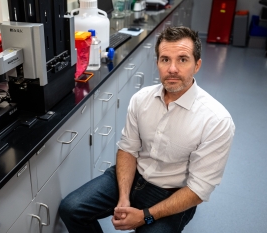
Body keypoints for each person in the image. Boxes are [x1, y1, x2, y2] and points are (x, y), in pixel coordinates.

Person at [59, 26, 235, 233]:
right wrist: (124, 198)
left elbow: (198, 190)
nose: (172, 69)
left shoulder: (217, 121)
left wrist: (144, 217)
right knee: (71, 208)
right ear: (158, 63)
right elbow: (128, 149)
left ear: (197, 65)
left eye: (183, 59)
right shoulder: (141, 99)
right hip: (131, 176)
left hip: (172, 194)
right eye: (165, 59)